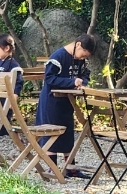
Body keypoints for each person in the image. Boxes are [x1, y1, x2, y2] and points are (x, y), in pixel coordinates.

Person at [35, 34, 95, 178]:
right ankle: (53, 168)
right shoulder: (58, 57)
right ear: (78, 44)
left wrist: (82, 83)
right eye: (83, 54)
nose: (83, 58)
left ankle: (70, 168)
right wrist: (71, 82)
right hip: (51, 101)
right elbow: (49, 78)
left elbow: (84, 75)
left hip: (68, 100)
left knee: (68, 133)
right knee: (52, 133)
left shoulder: (80, 59)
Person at [0, 34, 24, 131]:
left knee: (3, 125)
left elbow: (18, 82)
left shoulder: (13, 65)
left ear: (7, 48)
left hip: (5, 100)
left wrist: (13, 99)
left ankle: (13, 137)